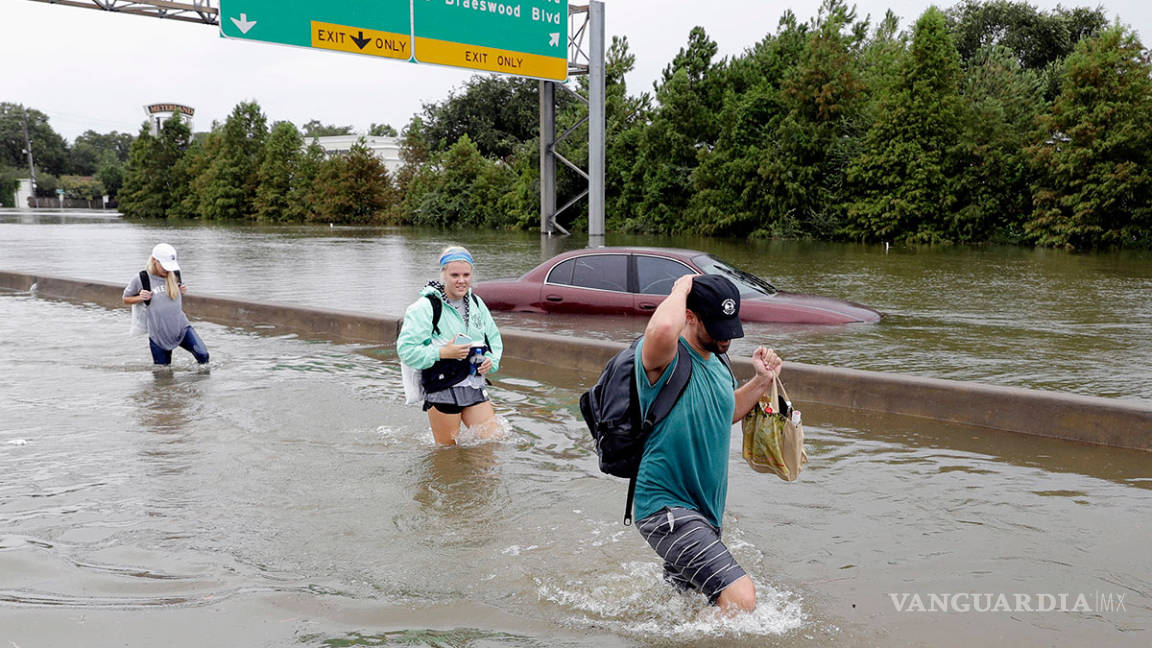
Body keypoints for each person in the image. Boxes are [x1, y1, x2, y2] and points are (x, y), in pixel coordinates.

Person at [633, 273, 782, 616]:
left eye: (730, 325)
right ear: (689, 316)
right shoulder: (662, 360)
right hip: (665, 508)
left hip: (704, 511)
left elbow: (723, 412)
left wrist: (762, 381)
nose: (727, 337)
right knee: (741, 599)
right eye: (715, 326)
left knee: (681, 609)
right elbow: (659, 331)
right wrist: (680, 288)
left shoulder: (718, 360)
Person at [397, 246, 504, 446]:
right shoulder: (426, 307)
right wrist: (443, 352)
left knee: (492, 444)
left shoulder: (476, 303)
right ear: (443, 274)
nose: (461, 280)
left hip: (474, 382)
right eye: (454, 275)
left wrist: (492, 361)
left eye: (466, 274)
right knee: (447, 454)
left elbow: (494, 339)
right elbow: (406, 351)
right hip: (442, 385)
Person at [122, 243, 210, 367]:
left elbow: (171, 296)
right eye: (164, 266)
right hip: (158, 334)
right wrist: (139, 297)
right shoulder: (142, 278)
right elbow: (125, 299)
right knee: (162, 374)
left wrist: (182, 290)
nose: (167, 270)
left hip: (181, 327)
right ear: (154, 260)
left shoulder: (175, 274)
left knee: (203, 356)